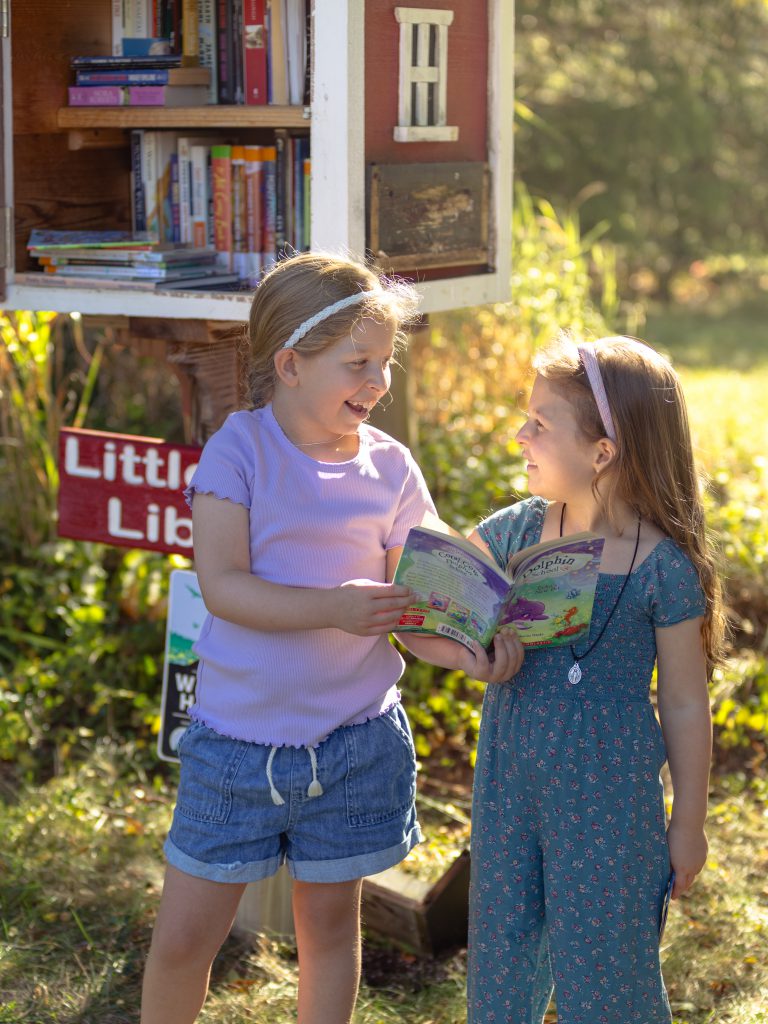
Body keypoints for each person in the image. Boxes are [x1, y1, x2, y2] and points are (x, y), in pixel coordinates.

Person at [140, 253, 519, 1024]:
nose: (378, 382)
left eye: (384, 362)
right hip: (237, 751)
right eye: (357, 364)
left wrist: (469, 649)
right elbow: (225, 587)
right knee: (185, 940)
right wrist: (331, 609)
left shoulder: (391, 467)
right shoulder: (239, 453)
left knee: (330, 932)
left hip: (354, 746)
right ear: (290, 365)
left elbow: (413, 604)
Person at [397, 334, 727, 1024]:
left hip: (612, 794)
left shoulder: (661, 567)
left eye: (540, 424)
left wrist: (689, 822)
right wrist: (468, 656)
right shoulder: (515, 532)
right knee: (505, 940)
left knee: (608, 957)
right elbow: (420, 621)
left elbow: (686, 703)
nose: (520, 435)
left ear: (602, 452)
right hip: (512, 784)